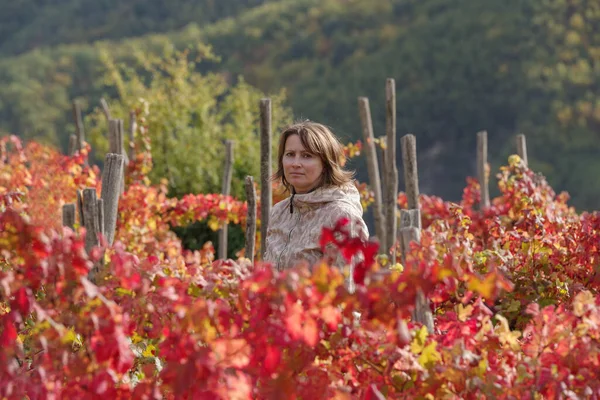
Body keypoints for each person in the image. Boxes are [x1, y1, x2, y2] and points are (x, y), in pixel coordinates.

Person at [263, 120, 369, 282]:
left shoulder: (342, 216)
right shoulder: (279, 212)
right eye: (290, 154)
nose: (295, 163)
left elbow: (348, 290)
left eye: (307, 156)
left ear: (326, 164)